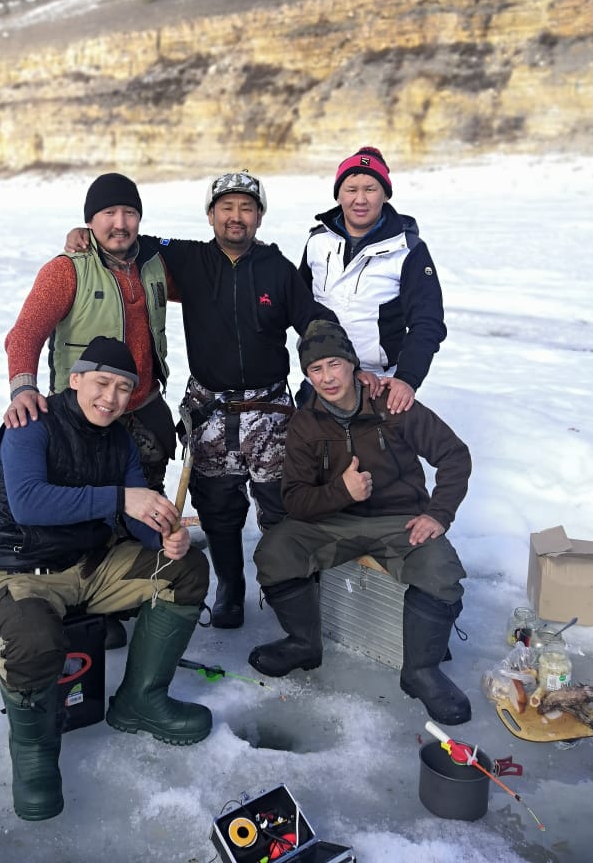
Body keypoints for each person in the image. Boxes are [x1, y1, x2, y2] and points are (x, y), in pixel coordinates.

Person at [66, 171, 337, 630]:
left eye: (247, 208)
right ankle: (231, 587)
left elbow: (313, 321)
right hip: (210, 409)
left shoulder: (278, 268)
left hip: (270, 410)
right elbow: (127, 237)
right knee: (217, 508)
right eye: (226, 208)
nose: (236, 217)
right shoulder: (187, 257)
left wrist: (331, 369)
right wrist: (83, 234)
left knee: (280, 504)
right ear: (211, 215)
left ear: (260, 216)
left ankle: (288, 586)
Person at [0, 337, 211, 822]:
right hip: (22, 572)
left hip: (92, 564)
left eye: (124, 389)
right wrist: (121, 499)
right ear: (75, 378)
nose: (112, 397)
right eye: (102, 382)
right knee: (34, 638)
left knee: (184, 571)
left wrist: (164, 535)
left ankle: (140, 701)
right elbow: (29, 503)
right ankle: (35, 753)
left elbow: (139, 513)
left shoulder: (119, 437)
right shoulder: (31, 424)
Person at [248, 320, 471, 726]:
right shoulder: (305, 422)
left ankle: (421, 671)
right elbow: (295, 500)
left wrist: (438, 515)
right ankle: (303, 644)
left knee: (440, 570)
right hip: (335, 522)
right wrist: (342, 493)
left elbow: (454, 455)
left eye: (334, 363)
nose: (327, 377)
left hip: (399, 521)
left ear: (352, 363)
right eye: (315, 369)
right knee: (276, 550)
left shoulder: (392, 404)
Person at [5, 173, 177, 648]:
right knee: (85, 512)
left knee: (143, 504)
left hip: (143, 408)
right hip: (82, 417)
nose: (120, 224)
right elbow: (24, 335)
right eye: (108, 214)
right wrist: (23, 389)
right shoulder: (68, 268)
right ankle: (81, 605)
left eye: (129, 213)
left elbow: (201, 272)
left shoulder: (155, 262)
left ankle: (136, 592)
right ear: (89, 220)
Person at [298, 146, 446, 415]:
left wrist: (407, 379)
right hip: (320, 381)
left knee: (375, 457)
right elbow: (297, 306)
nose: (360, 199)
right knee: (311, 456)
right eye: (351, 189)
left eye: (371, 188)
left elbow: (428, 323)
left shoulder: (408, 250)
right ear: (339, 195)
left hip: (379, 385)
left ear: (385, 194)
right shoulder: (318, 241)